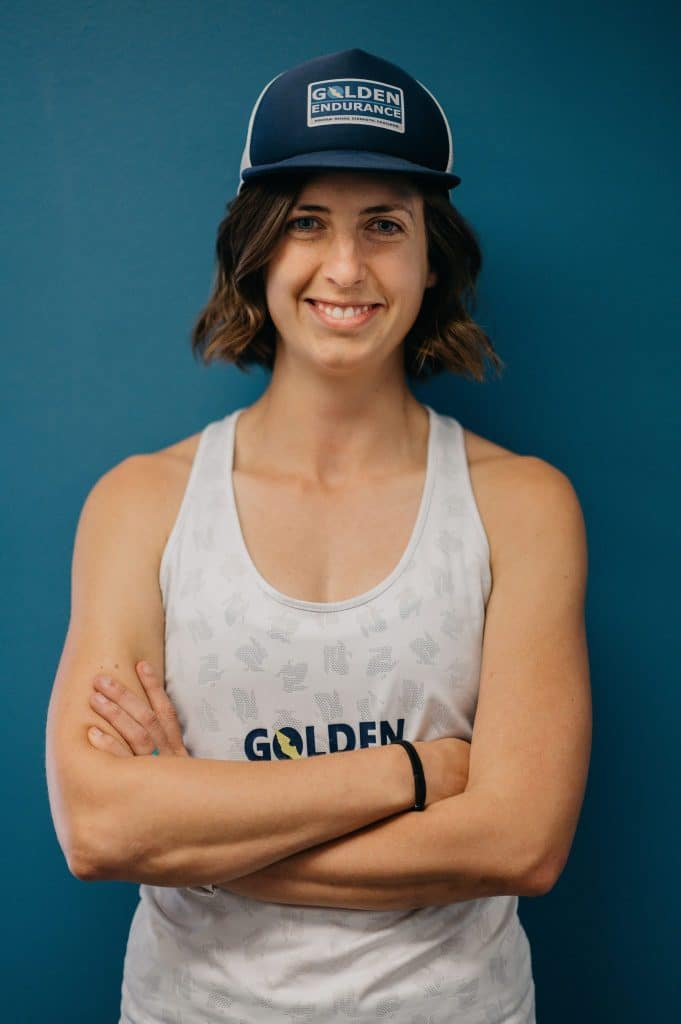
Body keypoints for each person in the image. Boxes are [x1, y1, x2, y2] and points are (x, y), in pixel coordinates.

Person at [46, 48, 592, 1024]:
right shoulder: (141, 504)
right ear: (258, 250)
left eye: (384, 223)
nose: (345, 266)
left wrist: (200, 829)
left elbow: (520, 843)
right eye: (307, 223)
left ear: (434, 257)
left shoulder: (522, 505)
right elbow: (98, 824)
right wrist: (415, 773)